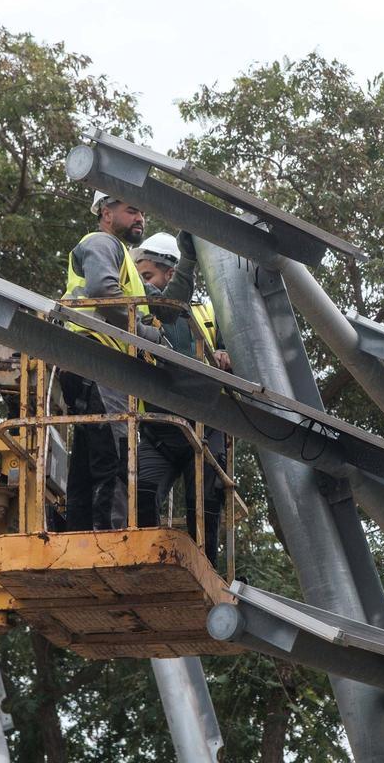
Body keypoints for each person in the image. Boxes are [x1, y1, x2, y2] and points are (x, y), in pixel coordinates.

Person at [58, 192, 195, 531]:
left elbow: (168, 309)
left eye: (142, 212)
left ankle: (79, 536)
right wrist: (148, 336)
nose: (140, 219)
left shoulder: (126, 266)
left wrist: (188, 259)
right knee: (116, 458)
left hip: (95, 366)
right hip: (98, 361)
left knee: (89, 462)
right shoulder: (101, 243)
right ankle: (111, 541)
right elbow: (105, 294)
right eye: (132, 210)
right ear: (106, 213)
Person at [132, 232, 232, 563]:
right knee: (142, 493)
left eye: (147, 276)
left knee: (204, 506)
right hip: (158, 429)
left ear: (171, 274)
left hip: (205, 428)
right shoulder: (139, 314)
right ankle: (148, 566)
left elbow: (236, 349)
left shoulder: (207, 314)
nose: (142, 284)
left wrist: (224, 353)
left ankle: (206, 571)